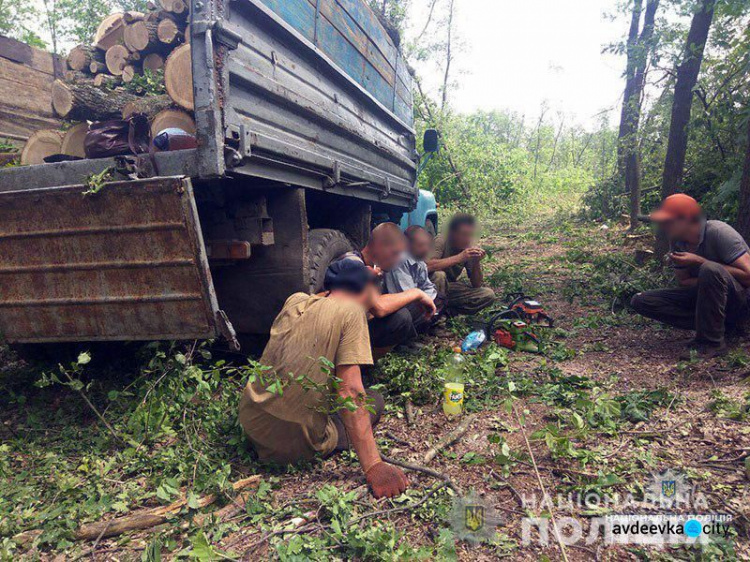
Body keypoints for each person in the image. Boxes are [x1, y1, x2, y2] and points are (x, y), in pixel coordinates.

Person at [238, 259, 409, 499]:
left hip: (251, 425)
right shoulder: (352, 312)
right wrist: (373, 465)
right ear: (366, 291)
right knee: (374, 399)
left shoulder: (295, 301)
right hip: (290, 447)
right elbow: (349, 392)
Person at [630, 194, 750, 359]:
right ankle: (716, 326)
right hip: (708, 298)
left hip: (740, 300)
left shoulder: (719, 232)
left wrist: (701, 263)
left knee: (709, 270)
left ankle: (711, 343)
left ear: (686, 220)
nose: (663, 226)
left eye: (668, 222)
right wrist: (709, 282)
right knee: (641, 300)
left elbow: (748, 276)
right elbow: (684, 281)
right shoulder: (678, 242)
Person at [337, 222, 436, 356]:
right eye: (395, 253)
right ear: (379, 246)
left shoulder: (372, 269)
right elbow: (379, 307)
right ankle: (363, 365)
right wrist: (417, 293)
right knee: (401, 317)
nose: (397, 261)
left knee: (402, 312)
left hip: (350, 329)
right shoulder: (352, 263)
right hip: (337, 337)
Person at [427, 213, 496, 315]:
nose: (467, 239)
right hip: (430, 286)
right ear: (451, 233)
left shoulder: (468, 247)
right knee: (439, 275)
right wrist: (459, 258)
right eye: (463, 234)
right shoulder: (441, 240)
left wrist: (476, 262)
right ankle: (436, 320)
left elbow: (477, 284)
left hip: (449, 288)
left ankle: (447, 312)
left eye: (470, 235)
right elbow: (427, 266)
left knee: (488, 294)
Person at [384, 225, 442, 332]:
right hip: (396, 306)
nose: (425, 249)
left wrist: (429, 298)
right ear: (407, 245)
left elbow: (428, 286)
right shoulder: (399, 261)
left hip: (411, 300)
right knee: (408, 312)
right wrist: (425, 300)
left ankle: (418, 331)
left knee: (439, 298)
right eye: (420, 245)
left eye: (427, 245)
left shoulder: (419, 261)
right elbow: (408, 295)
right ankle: (404, 338)